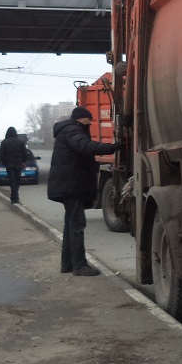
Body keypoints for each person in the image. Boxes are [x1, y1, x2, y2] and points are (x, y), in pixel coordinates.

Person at [48, 106, 121, 276]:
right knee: (77, 225)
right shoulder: (72, 130)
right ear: (81, 119)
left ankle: (68, 265)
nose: (91, 123)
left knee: (70, 225)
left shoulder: (67, 130)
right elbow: (84, 146)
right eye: (89, 120)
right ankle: (80, 266)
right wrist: (110, 148)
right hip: (71, 186)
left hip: (69, 185)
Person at [0, 126, 32, 204]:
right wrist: (24, 161)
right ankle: (15, 196)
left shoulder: (4, 142)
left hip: (9, 164)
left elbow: (2, 155)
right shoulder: (20, 142)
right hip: (18, 164)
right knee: (17, 180)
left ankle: (14, 197)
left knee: (12, 180)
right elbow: (25, 153)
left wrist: (4, 163)